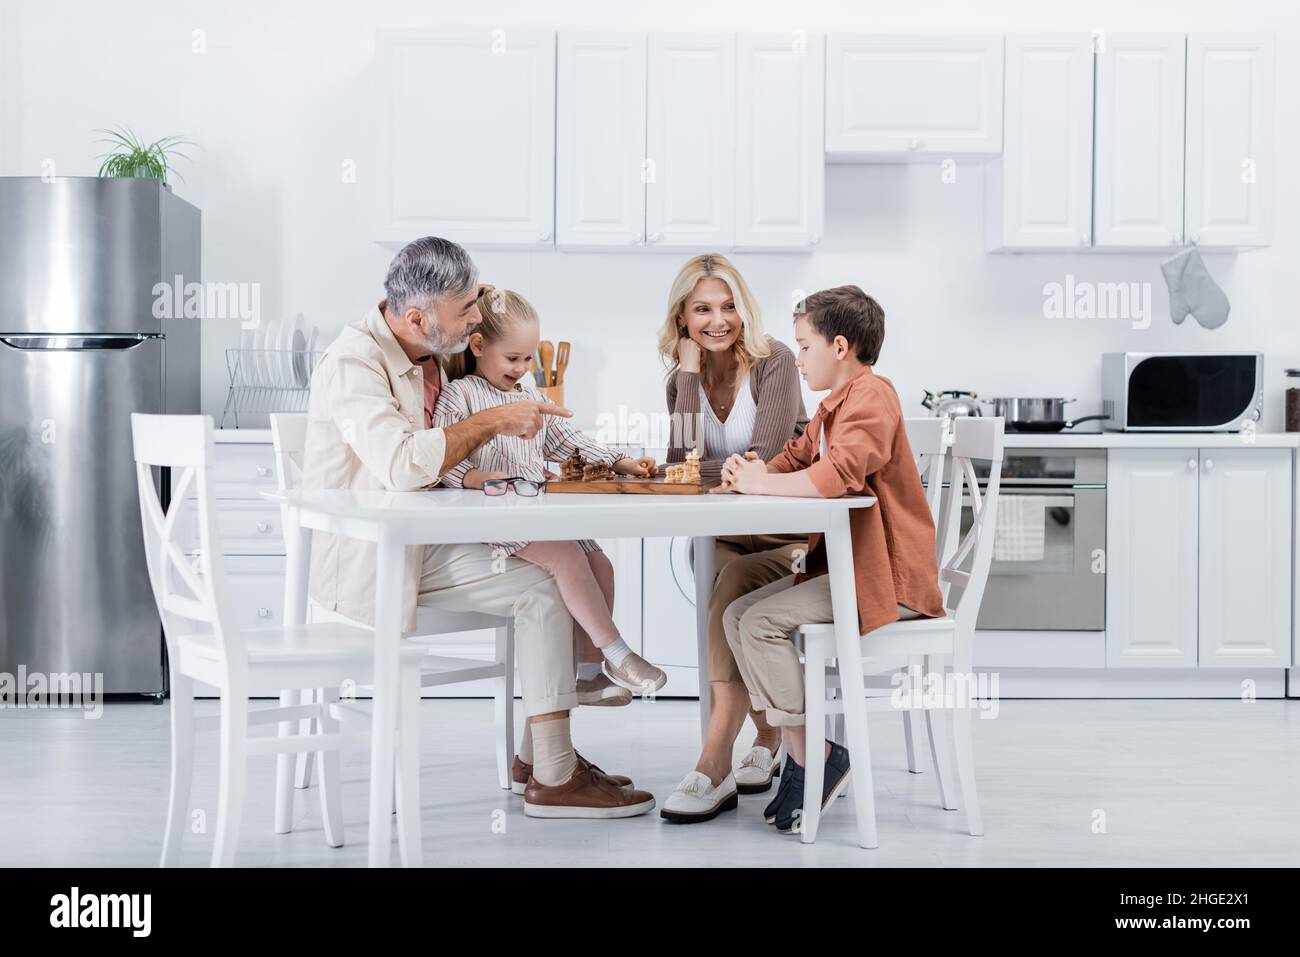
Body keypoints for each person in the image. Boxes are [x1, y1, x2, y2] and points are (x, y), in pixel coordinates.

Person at [302, 236, 654, 819]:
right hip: (381, 557)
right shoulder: (353, 364)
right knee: (544, 586)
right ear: (418, 316)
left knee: (565, 569)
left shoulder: (429, 346)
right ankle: (555, 776)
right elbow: (400, 465)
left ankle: (539, 760)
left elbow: (495, 360)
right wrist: (494, 421)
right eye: (466, 309)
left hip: (429, 538)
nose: (475, 319)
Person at [715, 285, 946, 834]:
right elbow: (793, 460)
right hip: (850, 571)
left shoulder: (872, 397)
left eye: (804, 346)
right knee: (734, 615)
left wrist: (761, 485)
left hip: (885, 582)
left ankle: (809, 755)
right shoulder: (831, 407)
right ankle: (811, 752)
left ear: (840, 346)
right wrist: (754, 471)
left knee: (762, 622)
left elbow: (839, 475)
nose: (797, 359)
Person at [433, 285, 669, 791]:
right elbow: (444, 460)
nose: (522, 367)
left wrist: (622, 460)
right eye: (513, 357)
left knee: (597, 559)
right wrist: (475, 480)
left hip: (534, 517)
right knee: (565, 556)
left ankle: (586, 673)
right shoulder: (462, 396)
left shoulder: (531, 397)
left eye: (529, 357)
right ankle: (619, 654)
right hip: (491, 526)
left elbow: (570, 441)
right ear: (477, 346)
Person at [656, 254, 812, 824]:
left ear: (744, 312)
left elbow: (766, 460)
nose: (718, 320)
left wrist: (715, 471)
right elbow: (679, 466)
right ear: (682, 318)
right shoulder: (681, 377)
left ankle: (713, 761)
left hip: (787, 531)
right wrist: (692, 374)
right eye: (702, 309)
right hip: (726, 529)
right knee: (722, 584)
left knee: (725, 588)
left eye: (728, 307)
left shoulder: (776, 362)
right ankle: (765, 737)